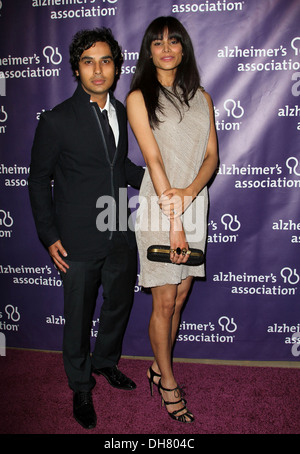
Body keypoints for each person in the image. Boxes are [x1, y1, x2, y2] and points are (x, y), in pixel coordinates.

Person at [28, 28, 144, 430]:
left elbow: (119, 167)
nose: (98, 70)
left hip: (118, 226)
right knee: (77, 316)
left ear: (116, 67)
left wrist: (158, 183)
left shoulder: (122, 112)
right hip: (76, 236)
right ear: (76, 68)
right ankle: (80, 385)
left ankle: (106, 362)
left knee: (118, 304)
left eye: (106, 61)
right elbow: (38, 179)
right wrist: (49, 234)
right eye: (89, 61)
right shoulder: (57, 119)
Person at [127, 16, 218, 423]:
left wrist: (191, 193)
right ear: (148, 51)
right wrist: (175, 217)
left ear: (184, 49)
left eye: (174, 41)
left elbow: (212, 156)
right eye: (157, 42)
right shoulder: (137, 97)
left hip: (194, 203)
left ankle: (157, 365)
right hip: (159, 207)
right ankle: (167, 382)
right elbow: (153, 159)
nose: (166, 48)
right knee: (164, 301)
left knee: (181, 296)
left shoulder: (203, 96)